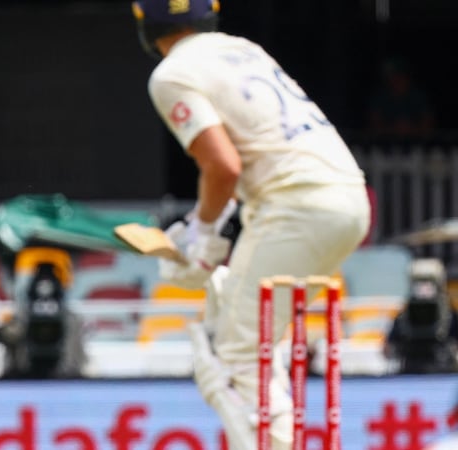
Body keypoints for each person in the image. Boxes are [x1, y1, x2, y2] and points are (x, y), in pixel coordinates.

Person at [130, 1, 370, 449]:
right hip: (347, 199)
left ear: (146, 22)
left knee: (233, 355)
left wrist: (201, 234)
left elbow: (223, 166)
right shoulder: (243, 50)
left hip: (296, 208)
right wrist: (208, 224)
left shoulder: (172, 74)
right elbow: (254, 155)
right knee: (247, 329)